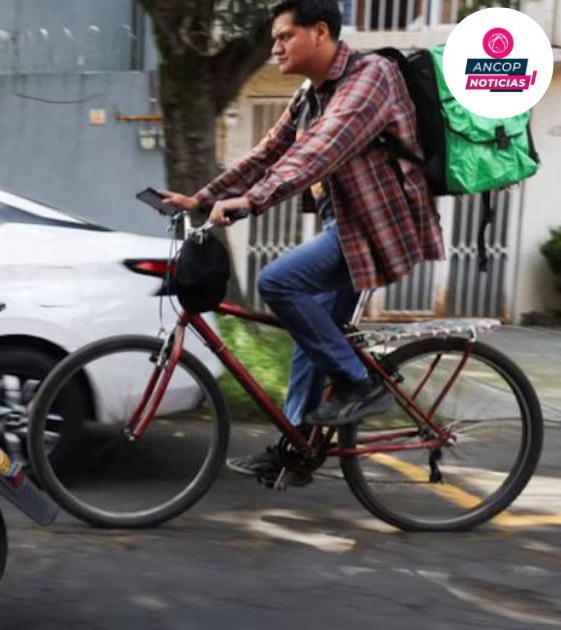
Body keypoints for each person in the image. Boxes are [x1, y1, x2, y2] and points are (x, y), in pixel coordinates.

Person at [160, 0, 444, 485]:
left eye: (283, 37)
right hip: (346, 225)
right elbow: (268, 152)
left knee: (279, 282)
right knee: (311, 341)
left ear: (319, 32)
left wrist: (250, 202)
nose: (274, 48)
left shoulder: (370, 77)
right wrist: (202, 199)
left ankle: (361, 384)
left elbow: (318, 151)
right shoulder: (311, 94)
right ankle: (295, 452)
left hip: (378, 228)